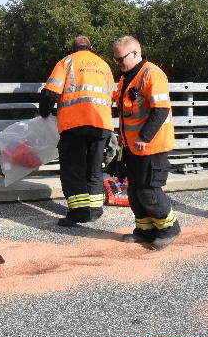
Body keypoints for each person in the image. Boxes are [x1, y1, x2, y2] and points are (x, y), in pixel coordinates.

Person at [111, 36, 180, 249]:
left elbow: (160, 110)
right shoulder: (127, 77)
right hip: (132, 146)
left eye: (120, 59)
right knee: (134, 191)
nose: (118, 63)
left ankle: (169, 229)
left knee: (148, 190)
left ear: (135, 54)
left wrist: (144, 137)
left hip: (151, 145)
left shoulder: (152, 74)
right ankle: (145, 230)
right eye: (115, 60)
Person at [40, 36, 115, 226]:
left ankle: (79, 213)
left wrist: (44, 112)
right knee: (94, 168)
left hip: (75, 124)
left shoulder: (67, 62)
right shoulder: (104, 65)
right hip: (101, 124)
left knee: (73, 169)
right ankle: (95, 209)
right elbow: (111, 96)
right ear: (91, 47)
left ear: (74, 48)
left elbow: (50, 92)